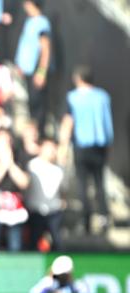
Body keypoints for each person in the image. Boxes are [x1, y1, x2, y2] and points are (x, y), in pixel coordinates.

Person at [58, 65, 114, 234]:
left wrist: (63, 145)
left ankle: (86, 218)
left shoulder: (73, 97)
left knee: (83, 183)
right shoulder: (102, 96)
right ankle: (104, 216)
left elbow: (68, 122)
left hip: (82, 145)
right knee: (99, 182)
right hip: (100, 145)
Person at [14, 0, 51, 136]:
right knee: (31, 104)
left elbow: (45, 49)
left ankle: (39, 134)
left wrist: (41, 72)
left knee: (38, 107)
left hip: (37, 70)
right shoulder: (30, 21)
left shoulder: (41, 23)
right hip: (28, 70)